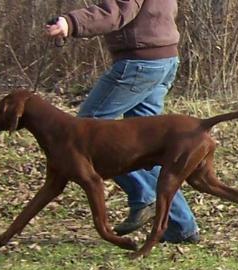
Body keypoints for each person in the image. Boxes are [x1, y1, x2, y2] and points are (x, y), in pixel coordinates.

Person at [46, 0, 199, 243]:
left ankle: (143, 195)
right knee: (151, 150)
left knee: (83, 136)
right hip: (163, 59)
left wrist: (71, 22)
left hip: (139, 64)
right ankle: (181, 227)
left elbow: (117, 11)